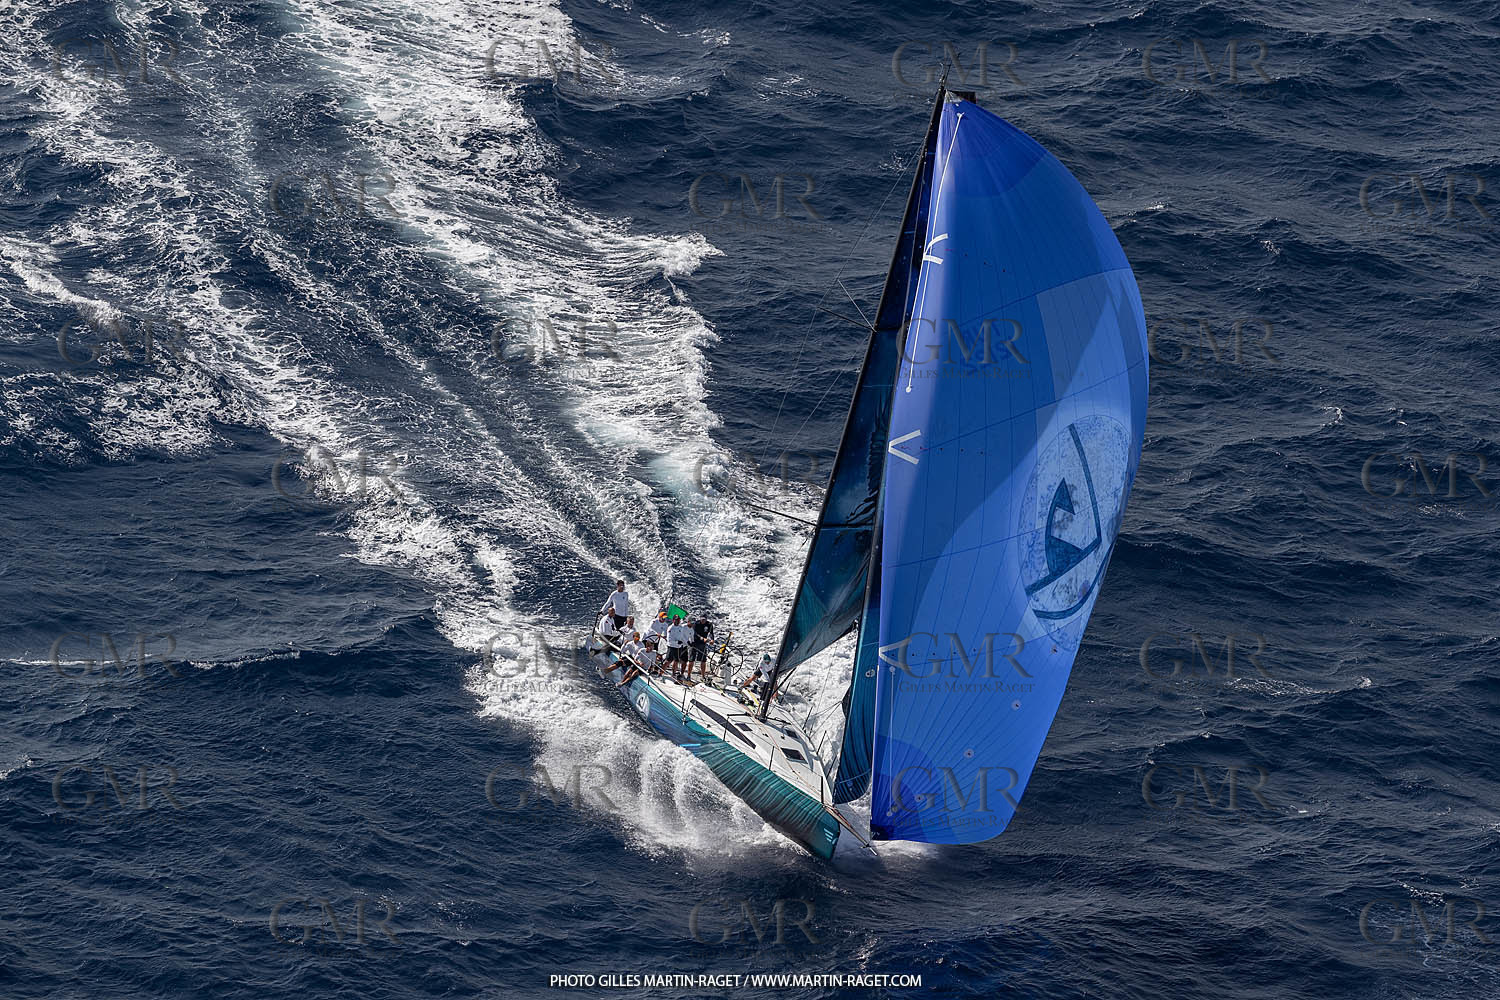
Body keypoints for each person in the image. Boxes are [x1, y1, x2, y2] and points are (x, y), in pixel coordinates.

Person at [665, 614, 693, 682]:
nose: (678, 621)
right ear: (673, 620)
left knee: (677, 661)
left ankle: (675, 674)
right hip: (672, 646)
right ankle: (660, 672)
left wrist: (688, 643)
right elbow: (669, 640)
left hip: (680, 647)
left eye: (679, 620)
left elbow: (682, 637)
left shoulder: (681, 627)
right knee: (668, 661)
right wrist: (677, 642)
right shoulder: (671, 628)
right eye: (676, 620)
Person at [689, 615, 715, 683]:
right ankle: (689, 675)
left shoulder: (709, 624)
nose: (703, 621)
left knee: (703, 660)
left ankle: (703, 676)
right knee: (691, 659)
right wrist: (701, 638)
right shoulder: (696, 624)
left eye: (704, 619)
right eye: (702, 619)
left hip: (703, 644)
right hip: (694, 643)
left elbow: (711, 633)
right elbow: (694, 633)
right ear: (700, 619)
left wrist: (712, 639)